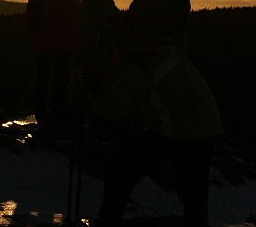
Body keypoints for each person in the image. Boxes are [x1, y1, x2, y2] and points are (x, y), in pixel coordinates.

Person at [89, 37, 222, 227]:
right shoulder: (166, 53)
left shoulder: (139, 64)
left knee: (122, 169)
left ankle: (109, 220)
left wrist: (89, 97)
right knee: (195, 191)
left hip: (182, 131)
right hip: (206, 127)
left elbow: (115, 110)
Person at [25, 0, 78, 133]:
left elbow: (30, 17)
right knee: (57, 79)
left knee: (45, 78)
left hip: (47, 44)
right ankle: (55, 112)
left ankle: (43, 111)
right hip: (57, 45)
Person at [73, 0, 120, 95]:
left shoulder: (80, 8)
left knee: (85, 83)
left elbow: (76, 30)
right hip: (105, 52)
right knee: (103, 85)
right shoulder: (108, 6)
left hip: (85, 52)